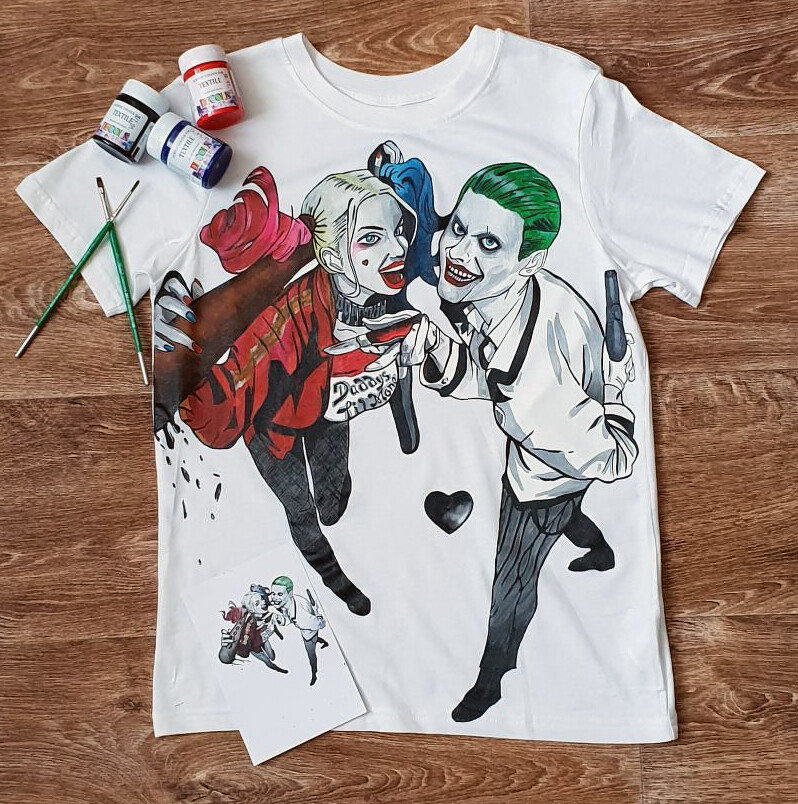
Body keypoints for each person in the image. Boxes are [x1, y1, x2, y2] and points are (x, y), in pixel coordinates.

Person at [370, 162, 639, 721]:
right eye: (459, 228)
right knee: (564, 513)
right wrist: (436, 348)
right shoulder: (506, 292)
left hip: (556, 465)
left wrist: (618, 407)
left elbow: (607, 455)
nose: (458, 251)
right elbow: (486, 369)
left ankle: (493, 676)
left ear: (528, 262)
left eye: (488, 243)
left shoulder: (538, 394)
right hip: (558, 449)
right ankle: (600, 548)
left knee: (513, 576)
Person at [154, 157, 438, 618]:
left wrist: (404, 419)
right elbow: (238, 375)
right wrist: (179, 378)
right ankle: (335, 580)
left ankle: (332, 505)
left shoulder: (387, 288)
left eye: (397, 232)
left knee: (333, 503)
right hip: (273, 428)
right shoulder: (290, 315)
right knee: (303, 511)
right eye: (372, 238)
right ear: (334, 258)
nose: (397, 249)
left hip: (328, 414)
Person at [269, 576, 328, 686]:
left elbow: (320, 624)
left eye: (280, 594)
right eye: (273, 593)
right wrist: (281, 620)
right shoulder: (289, 601)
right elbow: (288, 618)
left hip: (309, 631)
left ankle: (314, 673)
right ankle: (322, 641)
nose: (274, 598)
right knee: (313, 639)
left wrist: (320, 618)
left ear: (290, 594)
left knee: (311, 653)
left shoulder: (302, 619)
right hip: (307, 623)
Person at [219, 585, 287, 673]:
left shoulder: (270, 611)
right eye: (257, 603)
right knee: (267, 661)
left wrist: (279, 635)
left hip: (263, 639)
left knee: (272, 656)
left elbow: (273, 624)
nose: (263, 602)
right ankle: (278, 669)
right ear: (252, 608)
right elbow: (242, 640)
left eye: (262, 599)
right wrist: (230, 647)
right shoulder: (249, 622)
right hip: (254, 646)